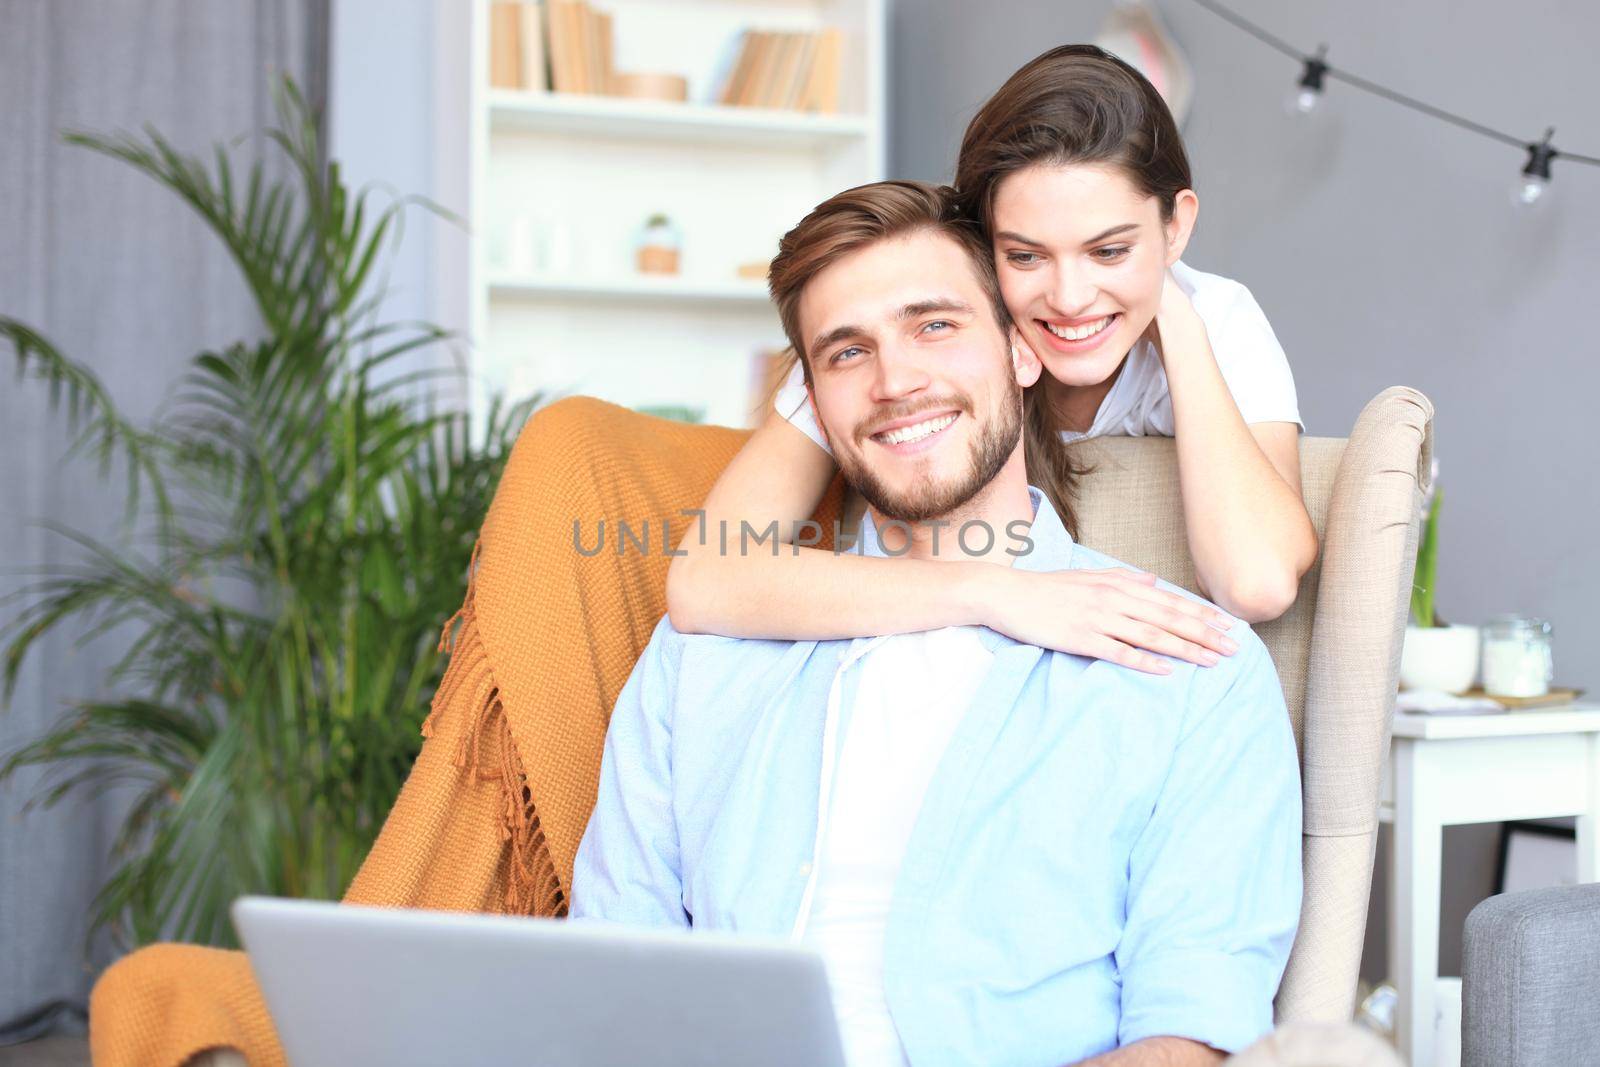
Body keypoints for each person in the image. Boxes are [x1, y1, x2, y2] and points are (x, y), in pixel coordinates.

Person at [572, 181, 1302, 1067]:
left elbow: (1188, 1035)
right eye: (847, 353)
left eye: (935, 325)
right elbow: (610, 977)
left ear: (1021, 351)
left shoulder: (1190, 668)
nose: (895, 382)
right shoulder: (705, 660)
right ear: (812, 400)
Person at [666, 45, 1317, 677]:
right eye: (1027, 256)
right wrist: (994, 592)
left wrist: (1168, 311)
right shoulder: (915, 346)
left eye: (1109, 251)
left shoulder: (1213, 318)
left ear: (1176, 227)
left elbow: (1255, 582)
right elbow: (708, 575)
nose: (1068, 299)